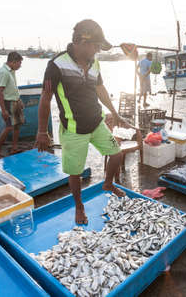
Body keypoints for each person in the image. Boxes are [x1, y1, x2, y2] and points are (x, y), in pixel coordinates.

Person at [35, 19, 132, 224]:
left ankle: (107, 184)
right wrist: (42, 132)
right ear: (81, 41)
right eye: (96, 46)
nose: (97, 50)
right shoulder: (56, 65)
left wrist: (115, 113)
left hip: (97, 123)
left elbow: (100, 90)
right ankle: (79, 206)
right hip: (73, 129)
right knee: (75, 173)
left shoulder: (94, 63)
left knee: (116, 154)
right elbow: (45, 98)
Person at [0, 52, 24, 157]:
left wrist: (18, 100)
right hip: (8, 103)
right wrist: (3, 110)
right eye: (19, 63)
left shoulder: (11, 71)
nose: (20, 66)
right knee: (9, 127)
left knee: (17, 126)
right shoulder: (4, 72)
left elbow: (13, 87)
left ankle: (14, 148)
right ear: (13, 62)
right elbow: (0, 92)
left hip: (15, 101)